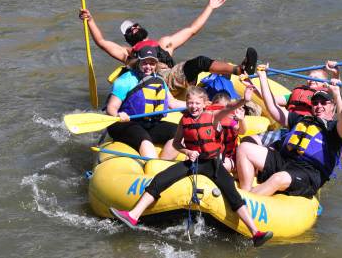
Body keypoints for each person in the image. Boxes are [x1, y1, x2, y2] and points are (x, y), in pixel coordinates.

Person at [109, 86, 273, 247]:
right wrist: (187, 151)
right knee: (161, 179)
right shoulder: (184, 120)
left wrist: (244, 99)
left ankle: (255, 232)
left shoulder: (213, 116)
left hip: (213, 164)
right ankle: (133, 215)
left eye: (196, 103)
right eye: (190, 103)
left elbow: (230, 107)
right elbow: (176, 143)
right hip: (193, 162)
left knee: (231, 192)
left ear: (204, 104)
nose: (193, 107)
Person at [78, 0, 257, 98]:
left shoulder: (164, 44)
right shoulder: (128, 53)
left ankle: (241, 69)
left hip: (175, 78)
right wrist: (91, 20)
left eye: (135, 25)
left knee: (201, 63)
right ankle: (239, 69)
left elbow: (192, 29)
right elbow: (102, 43)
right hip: (159, 82)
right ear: (127, 39)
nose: (134, 28)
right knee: (201, 61)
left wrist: (210, 7)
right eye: (130, 30)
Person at [235, 56, 342, 197]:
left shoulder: (334, 130)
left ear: (333, 108)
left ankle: (244, 200)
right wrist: (263, 78)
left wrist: (337, 94)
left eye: (323, 103)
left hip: (308, 172)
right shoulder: (301, 119)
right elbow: (272, 107)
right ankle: (245, 191)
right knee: (244, 148)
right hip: (285, 160)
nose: (318, 106)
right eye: (315, 103)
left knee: (279, 178)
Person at [106, 45, 185, 159]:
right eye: (145, 63)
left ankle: (162, 167)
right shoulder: (125, 80)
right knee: (146, 142)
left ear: (156, 64)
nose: (148, 66)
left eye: (152, 63)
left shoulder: (159, 80)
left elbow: (172, 103)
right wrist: (118, 115)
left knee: (181, 134)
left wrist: (196, 105)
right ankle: (153, 164)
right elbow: (111, 108)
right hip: (125, 124)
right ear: (138, 62)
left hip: (150, 124)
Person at [241, 68, 329, 147]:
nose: (311, 80)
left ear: (325, 84)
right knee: (247, 141)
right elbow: (271, 99)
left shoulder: (323, 100)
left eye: (315, 78)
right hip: (286, 129)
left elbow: (336, 96)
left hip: (303, 133)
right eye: (309, 77)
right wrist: (251, 84)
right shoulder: (295, 94)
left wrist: (336, 75)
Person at [209, 92, 247, 172]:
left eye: (224, 110)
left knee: (218, 163)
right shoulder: (207, 119)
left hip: (229, 158)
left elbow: (242, 131)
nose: (221, 113)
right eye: (218, 109)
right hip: (213, 154)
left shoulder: (231, 122)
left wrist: (241, 120)